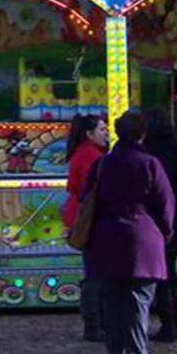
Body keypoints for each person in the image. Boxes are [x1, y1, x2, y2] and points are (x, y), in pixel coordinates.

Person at [83, 109, 174, 354]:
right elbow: (165, 202)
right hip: (143, 235)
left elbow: (88, 197)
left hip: (106, 235)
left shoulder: (103, 164)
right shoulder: (150, 163)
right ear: (142, 134)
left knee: (112, 301)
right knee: (139, 300)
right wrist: (165, 232)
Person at [142, 107, 177, 342]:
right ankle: (176, 321)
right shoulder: (176, 150)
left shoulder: (151, 154)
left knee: (162, 273)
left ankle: (169, 323)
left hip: (161, 219)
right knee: (170, 272)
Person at [62, 114, 109, 342]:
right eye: (102, 130)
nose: (106, 133)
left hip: (79, 215)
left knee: (94, 268)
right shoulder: (91, 157)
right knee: (96, 271)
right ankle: (95, 322)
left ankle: (96, 321)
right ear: (90, 134)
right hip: (89, 218)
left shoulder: (83, 154)